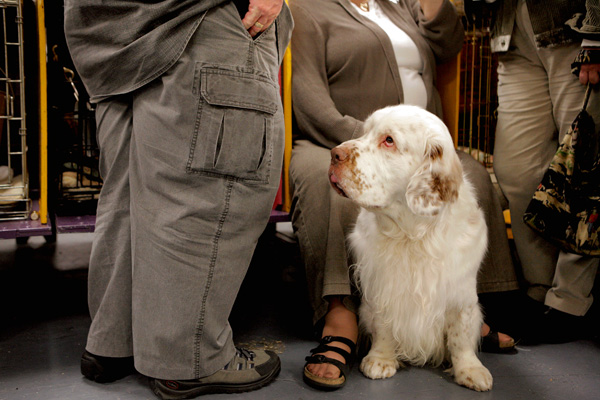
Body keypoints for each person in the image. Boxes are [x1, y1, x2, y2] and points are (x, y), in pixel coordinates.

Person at [63, 0, 292, 398]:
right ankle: (189, 360)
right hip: (204, 17)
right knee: (215, 189)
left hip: (111, 28)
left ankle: (114, 345)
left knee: (130, 191)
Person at [288, 0, 520, 391]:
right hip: (345, 137)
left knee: (473, 176)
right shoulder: (308, 10)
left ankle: (466, 310)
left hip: (412, 145)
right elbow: (308, 100)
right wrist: (372, 143)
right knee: (316, 177)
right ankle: (340, 314)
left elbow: (450, 44)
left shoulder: (401, 6)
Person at [483, 0, 600, 343]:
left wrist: (596, 30)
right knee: (517, 169)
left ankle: (570, 301)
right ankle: (541, 286)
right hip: (512, 23)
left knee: (582, 164)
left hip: (575, 21)